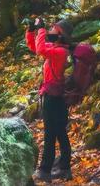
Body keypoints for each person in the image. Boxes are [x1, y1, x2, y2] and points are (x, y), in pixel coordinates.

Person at [25, 17, 74, 182]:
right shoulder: (56, 48)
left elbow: (40, 51)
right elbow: (34, 47)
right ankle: (64, 169)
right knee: (59, 132)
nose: (50, 31)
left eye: (54, 29)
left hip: (53, 98)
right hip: (54, 97)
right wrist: (31, 30)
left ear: (60, 35)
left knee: (51, 134)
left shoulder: (60, 52)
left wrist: (41, 29)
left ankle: (45, 170)